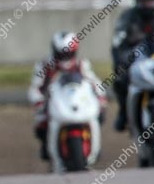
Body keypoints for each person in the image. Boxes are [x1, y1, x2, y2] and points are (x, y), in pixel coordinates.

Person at [29, 31, 107, 160]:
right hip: (53, 103)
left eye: (67, 53)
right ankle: (47, 147)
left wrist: (101, 97)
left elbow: (94, 82)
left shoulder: (82, 64)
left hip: (77, 101)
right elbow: (35, 87)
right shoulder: (44, 66)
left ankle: (94, 147)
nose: (64, 58)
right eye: (61, 54)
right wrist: (39, 101)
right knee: (41, 121)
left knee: (99, 114)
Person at [111, 0, 154, 131]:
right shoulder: (128, 17)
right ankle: (124, 112)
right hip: (137, 59)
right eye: (144, 1)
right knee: (120, 78)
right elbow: (117, 43)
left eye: (150, 1)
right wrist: (122, 60)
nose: (147, 5)